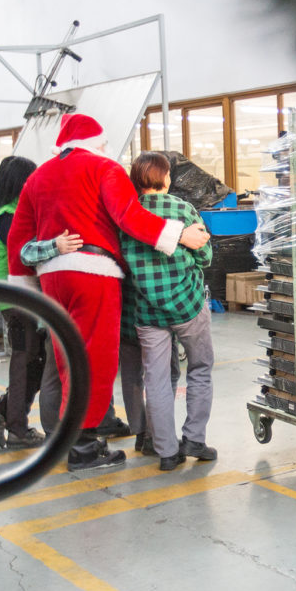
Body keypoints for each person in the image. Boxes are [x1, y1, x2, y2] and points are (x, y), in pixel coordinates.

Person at [5, 113, 210, 471]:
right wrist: (178, 234)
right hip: (93, 273)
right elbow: (128, 216)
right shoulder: (104, 168)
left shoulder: (38, 176)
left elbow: (18, 235)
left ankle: (71, 437)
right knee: (96, 358)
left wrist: (23, 285)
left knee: (67, 358)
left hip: (52, 278)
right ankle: (85, 447)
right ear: (98, 143)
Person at [122, 152, 216, 471]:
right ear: (165, 178)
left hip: (147, 312)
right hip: (188, 305)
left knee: (157, 380)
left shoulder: (128, 215)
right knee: (200, 367)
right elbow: (205, 256)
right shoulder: (182, 209)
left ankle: (166, 451)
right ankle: (194, 439)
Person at [0, 156, 68, 449]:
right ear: (20, 181)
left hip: (26, 297)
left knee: (35, 358)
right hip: (15, 299)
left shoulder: (15, 210)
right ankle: (16, 427)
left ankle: (4, 410)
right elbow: (24, 250)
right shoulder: (7, 215)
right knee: (25, 358)